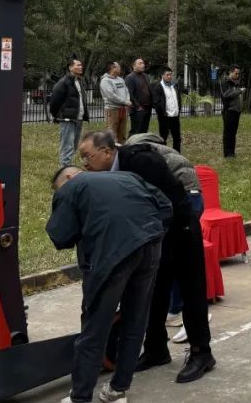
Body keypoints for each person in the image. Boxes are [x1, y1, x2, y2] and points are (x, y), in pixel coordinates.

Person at [78, 130, 216, 384]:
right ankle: (156, 349)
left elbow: (173, 195)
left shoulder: (140, 161)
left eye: (87, 156)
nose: (84, 163)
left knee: (190, 285)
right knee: (154, 287)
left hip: (182, 214)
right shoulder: (106, 173)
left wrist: (177, 232)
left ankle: (202, 353)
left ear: (106, 152)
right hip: (155, 224)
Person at [47, 167, 171, 403]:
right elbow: (166, 206)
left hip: (112, 255)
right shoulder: (128, 175)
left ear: (69, 177)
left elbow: (60, 237)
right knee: (135, 321)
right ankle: (118, 390)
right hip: (150, 245)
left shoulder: (71, 187)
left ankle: (80, 396)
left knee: (95, 327)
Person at [125, 127, 205, 344]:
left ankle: (179, 311)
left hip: (182, 200)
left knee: (176, 260)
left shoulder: (137, 155)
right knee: (173, 261)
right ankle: (174, 311)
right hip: (193, 196)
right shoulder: (162, 149)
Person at [50, 58, 90, 167]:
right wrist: (58, 115)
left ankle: (69, 167)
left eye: (81, 65)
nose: (80, 67)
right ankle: (64, 170)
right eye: (78, 65)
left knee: (74, 145)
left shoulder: (79, 81)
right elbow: (55, 101)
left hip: (78, 118)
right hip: (67, 119)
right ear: (70, 67)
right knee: (67, 146)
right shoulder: (64, 82)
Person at [100, 62, 131, 144]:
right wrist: (125, 101)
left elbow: (126, 91)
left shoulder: (121, 79)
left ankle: (122, 148)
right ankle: (111, 148)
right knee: (111, 132)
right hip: (112, 109)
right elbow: (111, 96)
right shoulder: (105, 81)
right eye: (118, 67)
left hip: (123, 109)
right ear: (112, 68)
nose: (120, 68)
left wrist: (127, 100)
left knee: (122, 132)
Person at [152, 68, 182, 153]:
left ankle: (177, 154)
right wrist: (162, 112)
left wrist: (178, 109)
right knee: (163, 138)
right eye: (167, 75)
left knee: (177, 138)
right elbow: (156, 102)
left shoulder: (174, 86)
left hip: (175, 116)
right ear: (162, 75)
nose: (169, 76)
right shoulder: (158, 87)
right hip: (164, 117)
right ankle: (164, 154)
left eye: (170, 75)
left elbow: (178, 99)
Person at [220, 65, 245, 158]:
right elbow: (227, 94)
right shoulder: (225, 82)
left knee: (233, 132)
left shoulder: (235, 83)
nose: (237, 75)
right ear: (230, 72)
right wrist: (239, 91)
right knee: (228, 133)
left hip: (236, 111)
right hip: (229, 110)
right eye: (236, 73)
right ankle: (227, 153)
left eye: (238, 74)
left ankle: (232, 152)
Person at [126, 58, 153, 136]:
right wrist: (138, 107)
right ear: (134, 66)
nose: (143, 65)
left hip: (147, 108)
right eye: (140, 63)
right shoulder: (130, 77)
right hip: (137, 109)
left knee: (144, 131)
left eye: (143, 63)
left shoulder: (146, 76)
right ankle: (131, 144)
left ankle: (142, 144)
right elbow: (129, 94)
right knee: (135, 131)